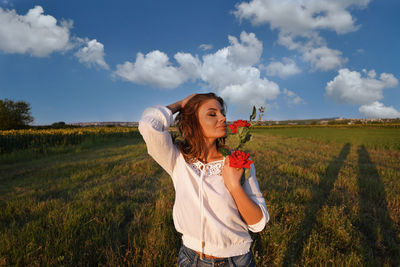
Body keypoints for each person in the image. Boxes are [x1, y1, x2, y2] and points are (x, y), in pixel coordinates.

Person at [138, 93, 269, 267]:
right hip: (190, 259)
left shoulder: (238, 162)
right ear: (193, 122)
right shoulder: (177, 159)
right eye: (212, 114)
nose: (223, 118)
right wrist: (182, 104)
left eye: (222, 113)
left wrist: (233, 186)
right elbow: (148, 125)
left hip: (236, 261)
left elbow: (258, 224)